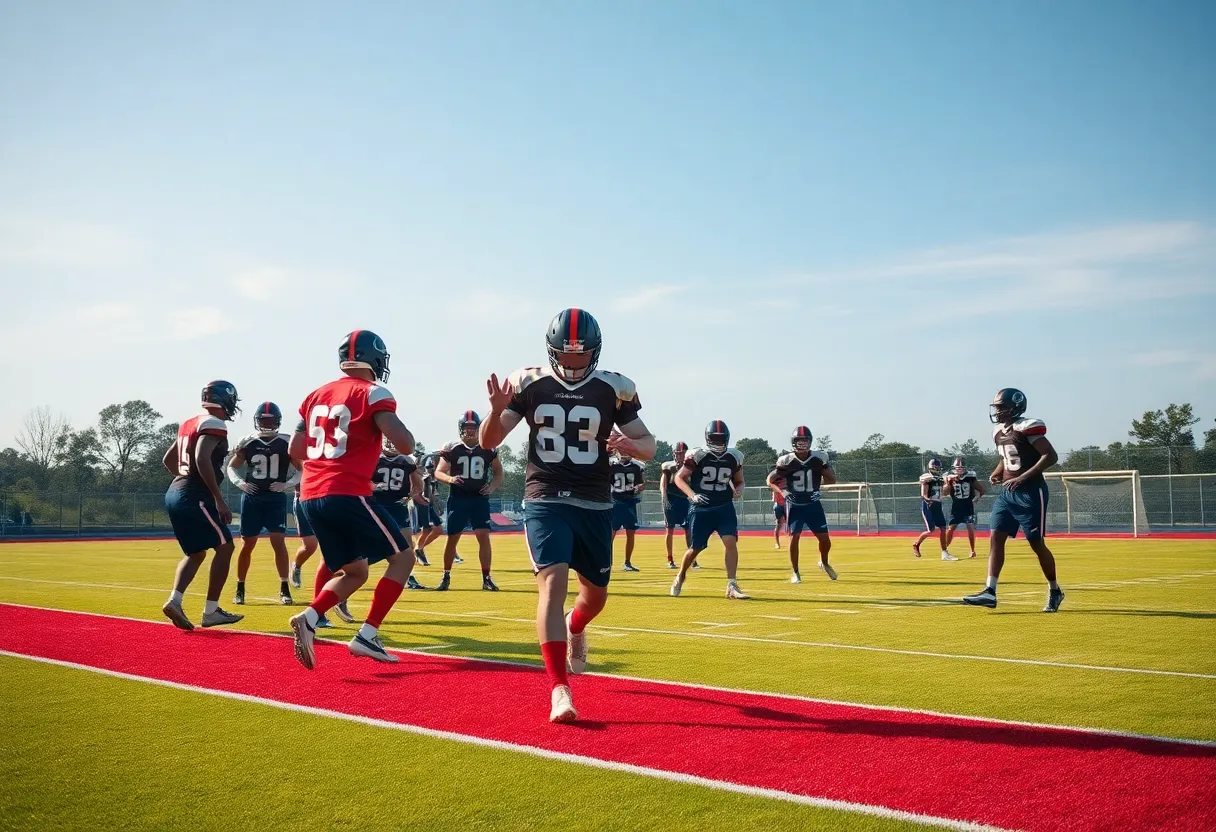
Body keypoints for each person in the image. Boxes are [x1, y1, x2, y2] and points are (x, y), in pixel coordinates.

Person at [479, 308, 655, 723]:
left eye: (581, 356)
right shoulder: (528, 382)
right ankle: (560, 689)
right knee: (553, 583)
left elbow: (647, 444)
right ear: (553, 350)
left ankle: (576, 628)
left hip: (595, 501)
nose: (574, 363)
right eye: (568, 355)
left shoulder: (615, 387)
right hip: (545, 498)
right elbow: (489, 441)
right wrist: (495, 410)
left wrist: (628, 446)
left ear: (594, 352)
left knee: (594, 597)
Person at [287, 330, 419, 669]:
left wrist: (320, 471)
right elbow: (403, 444)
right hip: (345, 491)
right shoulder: (373, 392)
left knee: (355, 571)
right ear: (376, 359)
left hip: (310, 495)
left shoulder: (316, 394)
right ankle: (368, 634)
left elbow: (294, 450)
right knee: (404, 558)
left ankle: (310, 617)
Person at [964, 388, 1064, 612]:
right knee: (995, 538)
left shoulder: (1027, 427)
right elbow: (1006, 457)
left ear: (1015, 406)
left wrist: (1022, 477)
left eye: (1001, 407)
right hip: (1008, 494)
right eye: (996, 407)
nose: (997, 411)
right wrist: (997, 471)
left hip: (1031, 492)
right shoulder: (998, 431)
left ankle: (1055, 590)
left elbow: (1051, 456)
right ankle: (990, 591)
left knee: (1036, 543)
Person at [160, 380, 244, 631]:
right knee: (226, 547)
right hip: (193, 493)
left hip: (175, 490)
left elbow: (168, 459)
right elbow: (201, 458)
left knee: (196, 553)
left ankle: (175, 601)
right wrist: (218, 498)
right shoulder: (214, 424)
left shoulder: (189, 423)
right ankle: (211, 611)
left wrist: (183, 477)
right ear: (226, 400)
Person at [225, 402, 299, 606]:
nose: (267, 424)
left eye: (270, 420)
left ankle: (284, 588)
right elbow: (231, 467)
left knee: (278, 542)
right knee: (247, 545)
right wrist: (240, 483)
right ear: (257, 421)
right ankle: (240, 588)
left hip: (275, 499)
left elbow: (301, 469)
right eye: (264, 420)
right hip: (252, 498)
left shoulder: (287, 441)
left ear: (278, 421)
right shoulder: (248, 441)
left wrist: (287, 484)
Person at [670, 420, 748, 600]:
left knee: (730, 543)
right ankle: (680, 576)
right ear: (707, 438)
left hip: (724, 506)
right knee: (695, 548)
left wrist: (739, 490)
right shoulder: (698, 455)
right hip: (702, 508)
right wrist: (692, 495)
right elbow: (679, 478)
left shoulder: (734, 456)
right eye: (715, 439)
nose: (719, 443)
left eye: (721, 439)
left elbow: (740, 480)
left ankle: (732, 584)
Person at [434, 411, 503, 591]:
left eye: (473, 428)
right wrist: (450, 479)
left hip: (479, 498)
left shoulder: (489, 447)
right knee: (453, 537)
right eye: (467, 428)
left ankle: (486, 578)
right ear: (461, 429)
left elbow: (498, 473)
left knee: (483, 536)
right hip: (458, 498)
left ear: (479, 429)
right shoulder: (452, 447)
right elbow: (439, 471)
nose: (470, 432)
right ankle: (446, 576)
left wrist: (492, 487)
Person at [768, 426, 838, 583]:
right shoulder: (786, 460)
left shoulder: (818, 458)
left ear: (810, 442)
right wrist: (783, 492)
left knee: (825, 540)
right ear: (794, 442)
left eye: (805, 441)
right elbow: (770, 480)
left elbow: (832, 479)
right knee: (794, 538)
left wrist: (822, 488)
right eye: (799, 441)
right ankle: (796, 572)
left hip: (813, 504)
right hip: (795, 505)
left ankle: (824, 562)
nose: (802, 444)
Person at [373, 437, 427, 589]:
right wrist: (374, 487)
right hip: (376, 506)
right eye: (389, 441)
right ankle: (348, 573)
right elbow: (361, 479)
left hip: (397, 506)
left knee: (407, 545)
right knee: (368, 543)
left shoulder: (407, 460)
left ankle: (409, 577)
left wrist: (414, 494)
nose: (392, 444)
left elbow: (418, 484)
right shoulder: (374, 458)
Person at [944, 456, 986, 558]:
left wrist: (976, 499)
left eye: (961, 467)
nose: (959, 469)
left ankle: (972, 550)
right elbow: (945, 492)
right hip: (956, 506)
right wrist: (948, 483)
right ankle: (944, 549)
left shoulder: (970, 477)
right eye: (957, 467)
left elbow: (982, 490)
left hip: (968, 506)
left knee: (970, 527)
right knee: (951, 528)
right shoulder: (950, 478)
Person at [609, 452, 646, 571]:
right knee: (611, 533)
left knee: (630, 533)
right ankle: (606, 561)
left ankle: (627, 563)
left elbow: (641, 484)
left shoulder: (637, 466)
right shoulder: (612, 464)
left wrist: (638, 488)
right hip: (616, 501)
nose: (624, 454)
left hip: (630, 502)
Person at [913, 459, 955, 560]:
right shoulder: (927, 478)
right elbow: (923, 495)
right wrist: (928, 500)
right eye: (936, 467)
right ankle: (916, 544)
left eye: (938, 468)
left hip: (937, 504)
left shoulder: (939, 479)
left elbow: (944, 493)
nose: (938, 469)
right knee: (930, 530)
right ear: (931, 468)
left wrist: (948, 483)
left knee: (943, 528)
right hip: (928, 505)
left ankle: (944, 553)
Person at [659, 442, 691, 568]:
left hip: (685, 499)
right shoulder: (668, 467)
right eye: (678, 454)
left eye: (682, 454)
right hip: (671, 499)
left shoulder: (691, 466)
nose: (680, 456)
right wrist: (664, 496)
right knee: (669, 529)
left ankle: (692, 558)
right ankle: (670, 559)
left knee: (688, 530)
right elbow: (663, 483)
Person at [411, 454, 443, 565]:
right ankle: (417, 551)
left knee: (438, 529)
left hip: (426, 502)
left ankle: (419, 549)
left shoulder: (431, 473)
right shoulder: (421, 470)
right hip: (419, 502)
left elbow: (431, 493)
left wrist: (437, 505)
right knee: (426, 529)